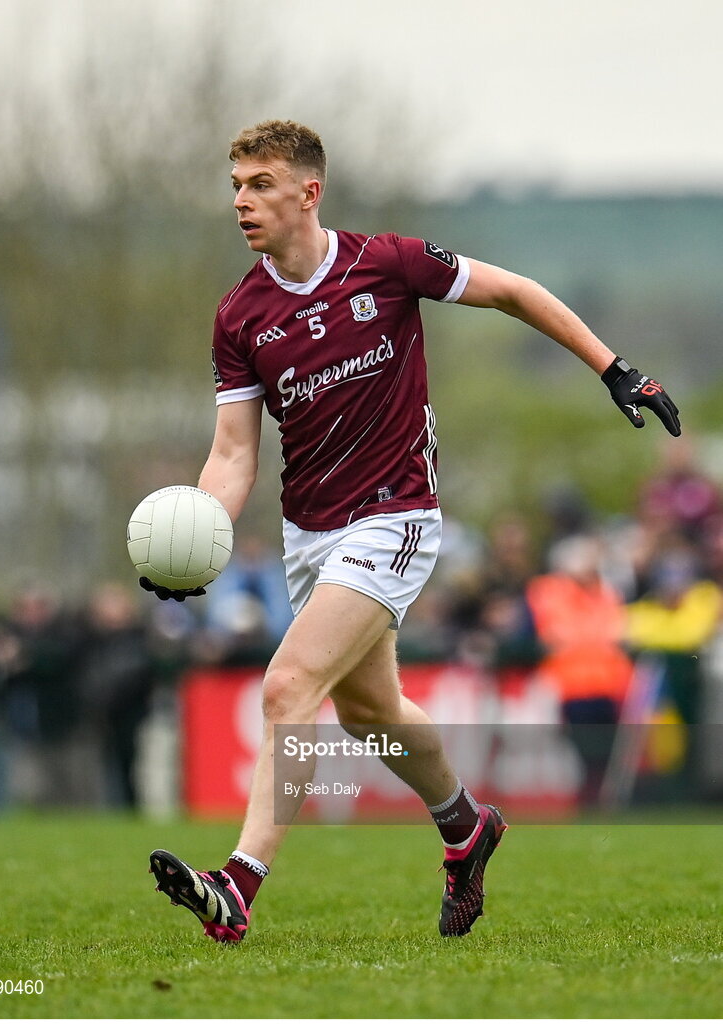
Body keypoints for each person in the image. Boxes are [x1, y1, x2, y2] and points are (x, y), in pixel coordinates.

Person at [142, 120, 681, 943]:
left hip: (395, 516)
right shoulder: (240, 317)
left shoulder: (384, 262)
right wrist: (198, 530)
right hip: (309, 536)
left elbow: (513, 290)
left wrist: (614, 368)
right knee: (370, 713)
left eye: (257, 184)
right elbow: (231, 457)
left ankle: (240, 882)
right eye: (236, 187)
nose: (242, 201)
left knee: (288, 689)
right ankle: (466, 829)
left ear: (306, 191)